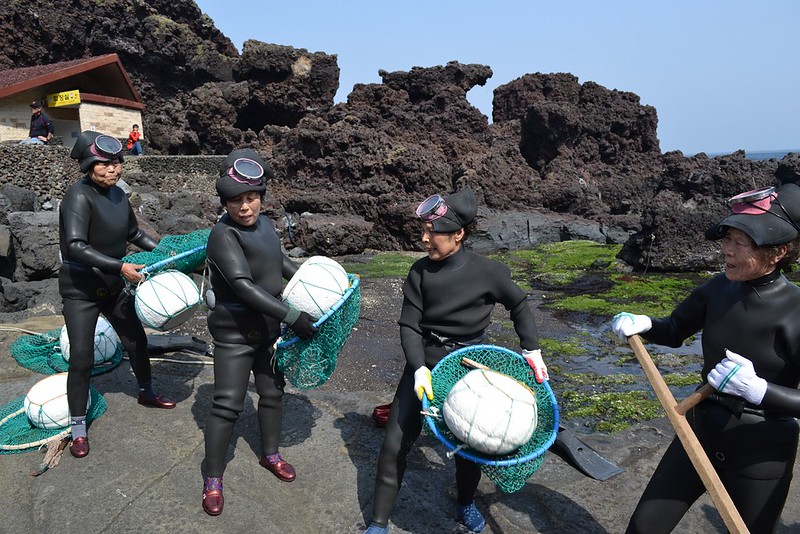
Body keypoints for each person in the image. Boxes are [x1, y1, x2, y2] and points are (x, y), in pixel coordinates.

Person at [611, 182, 800, 534]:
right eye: (727, 238)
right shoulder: (718, 289)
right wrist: (645, 324)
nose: (727, 249)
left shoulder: (795, 310)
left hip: (762, 451)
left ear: (778, 252)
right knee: (642, 529)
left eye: (741, 242)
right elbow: (674, 329)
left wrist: (759, 390)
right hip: (699, 431)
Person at [364, 188, 549, 534]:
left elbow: (520, 304)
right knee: (394, 444)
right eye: (423, 231)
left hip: (468, 369)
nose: (424, 239)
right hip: (424, 364)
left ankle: (465, 503)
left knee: (470, 445)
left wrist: (532, 350)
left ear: (459, 233)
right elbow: (409, 325)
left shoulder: (488, 272)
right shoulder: (419, 273)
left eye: (432, 232)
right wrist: (419, 368)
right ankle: (378, 522)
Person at [200, 148, 318, 516]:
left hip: (268, 330)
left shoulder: (266, 226)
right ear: (225, 202)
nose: (245, 207)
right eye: (236, 200)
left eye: (251, 198)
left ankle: (270, 454)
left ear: (261, 197)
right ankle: (213, 477)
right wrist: (293, 315)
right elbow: (243, 286)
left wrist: (315, 284)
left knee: (272, 393)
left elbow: (279, 262)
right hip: (234, 335)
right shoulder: (223, 235)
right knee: (228, 405)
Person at [60, 131, 176, 460]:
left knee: (136, 339)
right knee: (81, 357)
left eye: (116, 163)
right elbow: (76, 246)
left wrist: (166, 253)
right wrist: (121, 267)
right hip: (81, 289)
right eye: (104, 164)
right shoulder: (77, 197)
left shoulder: (119, 196)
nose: (113, 169)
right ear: (88, 165)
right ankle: (78, 426)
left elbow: (134, 233)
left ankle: (146, 391)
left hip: (112, 285)